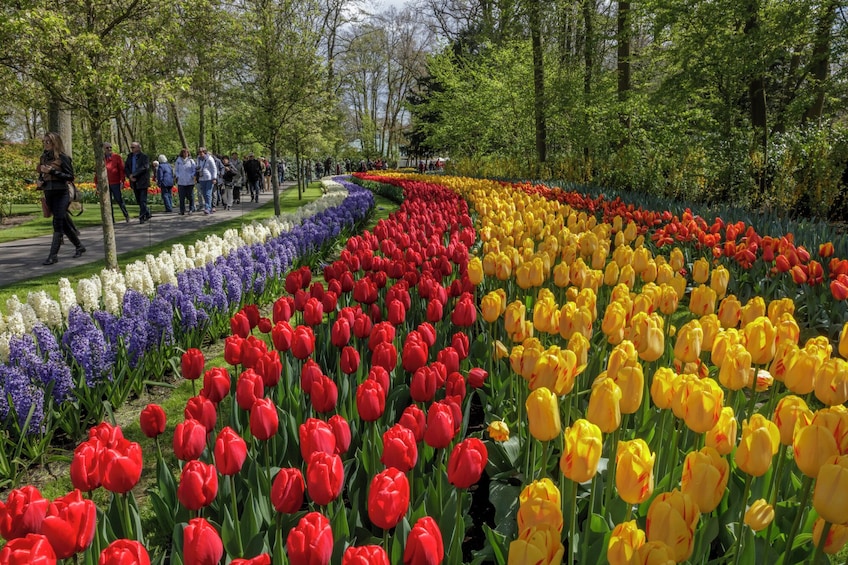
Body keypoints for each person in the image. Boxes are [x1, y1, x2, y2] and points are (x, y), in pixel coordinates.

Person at [37, 132, 85, 264]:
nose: (46, 144)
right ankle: (79, 246)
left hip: (61, 193)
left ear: (55, 143)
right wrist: (40, 181)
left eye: (48, 142)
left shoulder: (63, 157)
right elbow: (42, 175)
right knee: (62, 223)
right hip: (49, 193)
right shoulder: (43, 158)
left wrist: (52, 171)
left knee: (57, 222)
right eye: (44, 141)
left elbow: (70, 177)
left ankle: (53, 256)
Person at [103, 142, 129, 223]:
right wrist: (97, 183)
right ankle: (111, 219)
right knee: (108, 202)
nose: (109, 149)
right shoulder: (101, 158)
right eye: (107, 148)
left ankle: (126, 215)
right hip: (105, 183)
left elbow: (122, 170)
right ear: (103, 149)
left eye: (110, 147)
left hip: (115, 182)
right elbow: (97, 172)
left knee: (119, 199)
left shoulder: (116, 157)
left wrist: (122, 181)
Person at [126, 141, 151, 223]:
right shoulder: (129, 157)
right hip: (133, 181)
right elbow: (126, 167)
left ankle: (142, 216)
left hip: (142, 181)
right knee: (138, 200)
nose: (132, 149)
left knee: (143, 200)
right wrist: (130, 175)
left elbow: (145, 167)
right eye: (131, 147)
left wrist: (134, 175)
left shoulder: (144, 157)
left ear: (138, 148)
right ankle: (147, 213)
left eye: (133, 147)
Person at [196, 146, 217, 215]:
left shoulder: (210, 159)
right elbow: (197, 167)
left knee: (208, 193)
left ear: (205, 152)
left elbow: (214, 168)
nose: (201, 153)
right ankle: (209, 208)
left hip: (209, 178)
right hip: (202, 178)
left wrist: (214, 178)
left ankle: (207, 208)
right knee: (204, 194)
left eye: (202, 152)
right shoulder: (198, 159)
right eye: (199, 152)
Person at [174, 148, 196, 215]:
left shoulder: (191, 161)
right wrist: (178, 176)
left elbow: (194, 170)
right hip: (181, 182)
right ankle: (182, 210)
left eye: (186, 152)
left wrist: (191, 176)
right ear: (182, 153)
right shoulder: (178, 161)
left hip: (190, 181)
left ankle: (191, 209)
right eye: (184, 152)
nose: (185, 154)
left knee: (190, 196)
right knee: (182, 197)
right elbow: (176, 170)